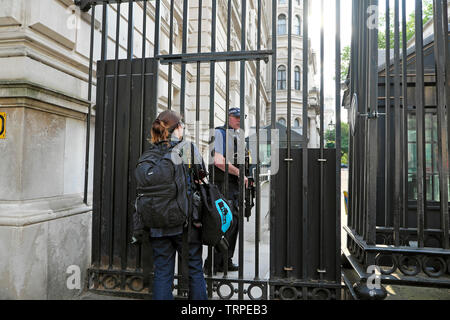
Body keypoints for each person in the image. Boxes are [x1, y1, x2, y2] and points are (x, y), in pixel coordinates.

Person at [136, 110, 208, 300]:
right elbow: (202, 176)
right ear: (176, 129)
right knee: (194, 268)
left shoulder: (149, 153)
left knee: (162, 272)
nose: (183, 128)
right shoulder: (185, 149)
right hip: (185, 223)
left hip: (156, 223)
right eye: (181, 125)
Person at [205, 108, 247, 273]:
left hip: (232, 187)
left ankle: (225, 260)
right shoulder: (219, 133)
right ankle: (212, 263)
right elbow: (218, 161)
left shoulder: (235, 136)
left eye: (241, 117)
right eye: (236, 117)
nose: (239, 120)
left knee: (233, 224)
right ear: (228, 118)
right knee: (224, 224)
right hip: (222, 186)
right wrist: (239, 173)